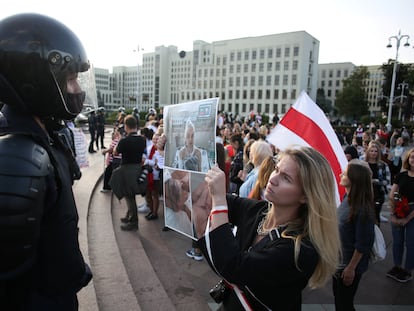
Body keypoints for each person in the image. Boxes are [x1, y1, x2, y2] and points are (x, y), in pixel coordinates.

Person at [0, 13, 92, 310]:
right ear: (35, 81)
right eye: (70, 78)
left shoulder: (48, 133)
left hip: (59, 290)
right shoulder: (18, 161)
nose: (77, 89)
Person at [198, 146, 341, 310]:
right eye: (277, 169)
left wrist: (217, 199)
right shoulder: (261, 211)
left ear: (306, 196)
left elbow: (233, 266)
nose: (273, 179)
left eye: (286, 178)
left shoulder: (301, 249)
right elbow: (223, 201)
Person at [333, 159, 376, 311]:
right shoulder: (347, 199)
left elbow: (363, 243)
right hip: (338, 262)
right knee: (339, 301)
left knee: (344, 304)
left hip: (348, 266)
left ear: (354, 179)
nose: (340, 175)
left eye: (344, 174)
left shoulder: (362, 208)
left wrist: (351, 268)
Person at [109, 115, 147, 231]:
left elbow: (115, 153)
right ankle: (128, 215)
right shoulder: (142, 139)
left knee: (129, 196)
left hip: (126, 170)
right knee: (129, 195)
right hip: (137, 168)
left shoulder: (124, 140)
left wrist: (119, 142)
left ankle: (133, 222)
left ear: (126, 126)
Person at [386, 147, 414, 283]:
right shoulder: (401, 175)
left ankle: (407, 270)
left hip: (412, 212)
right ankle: (397, 266)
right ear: (408, 158)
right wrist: (392, 213)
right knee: (397, 241)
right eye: (412, 157)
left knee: (411, 243)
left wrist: (408, 218)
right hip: (398, 207)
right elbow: (392, 194)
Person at [363, 141, 391, 225]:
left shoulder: (383, 165)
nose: (373, 153)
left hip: (379, 193)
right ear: (368, 152)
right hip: (365, 193)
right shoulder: (363, 164)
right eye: (371, 151)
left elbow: (387, 181)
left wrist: (375, 181)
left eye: (375, 151)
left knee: (376, 215)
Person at [101, 126, 122, 192]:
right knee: (110, 173)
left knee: (109, 173)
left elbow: (111, 149)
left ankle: (108, 187)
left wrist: (105, 151)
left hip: (114, 160)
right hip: (117, 159)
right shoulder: (120, 139)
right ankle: (109, 187)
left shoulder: (117, 140)